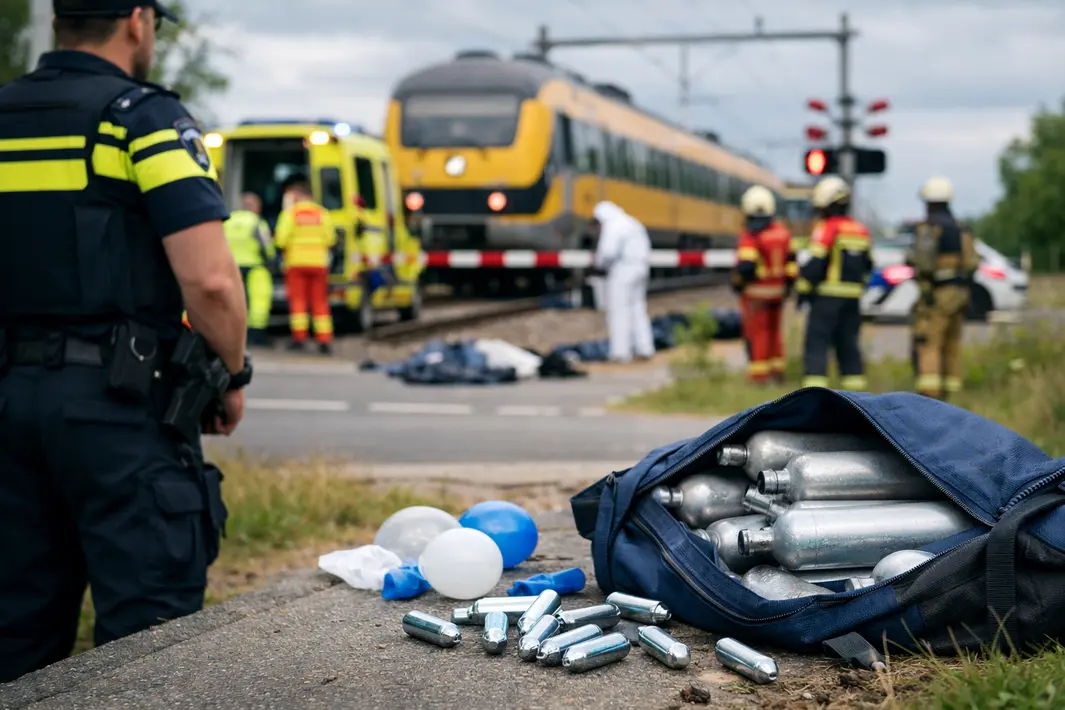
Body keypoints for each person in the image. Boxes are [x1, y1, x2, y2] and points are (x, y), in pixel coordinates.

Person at [0, 0, 252, 682]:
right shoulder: (140, 118)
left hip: (7, 404)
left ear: (57, 20)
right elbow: (211, 282)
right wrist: (230, 374)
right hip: (120, 410)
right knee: (147, 645)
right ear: (138, 21)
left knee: (16, 631)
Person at [796, 176, 873, 390]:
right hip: (852, 301)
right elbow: (868, 266)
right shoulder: (861, 230)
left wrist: (803, 289)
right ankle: (856, 397)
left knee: (817, 345)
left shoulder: (827, 229)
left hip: (826, 300)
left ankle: (813, 393)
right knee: (849, 347)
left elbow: (815, 266)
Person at [908, 177, 978, 400]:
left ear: (929, 202)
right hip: (959, 294)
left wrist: (912, 262)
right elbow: (972, 263)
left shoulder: (929, 227)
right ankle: (951, 397)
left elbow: (924, 262)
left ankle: (930, 397)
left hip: (937, 295)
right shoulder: (961, 228)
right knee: (952, 344)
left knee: (929, 342)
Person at [732, 186, 796, 384]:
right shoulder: (784, 233)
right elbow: (792, 266)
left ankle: (758, 376)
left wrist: (737, 284)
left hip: (756, 294)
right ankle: (777, 373)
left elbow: (746, 268)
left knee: (758, 333)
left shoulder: (750, 236)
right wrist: (787, 288)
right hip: (778, 293)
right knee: (775, 332)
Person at [274, 181, 337, 354]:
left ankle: (299, 338)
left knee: (298, 301)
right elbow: (331, 239)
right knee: (320, 302)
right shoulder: (322, 213)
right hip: (319, 264)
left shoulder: (290, 213)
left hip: (296, 263)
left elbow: (280, 239)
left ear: (297, 195)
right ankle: (324, 340)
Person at [590, 201, 655, 363]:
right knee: (638, 308)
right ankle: (645, 348)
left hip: (623, 269)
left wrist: (598, 264)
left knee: (618, 310)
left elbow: (607, 252)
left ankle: (620, 352)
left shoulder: (613, 225)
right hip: (641, 268)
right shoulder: (632, 222)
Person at [225, 192, 276, 347]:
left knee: (235, 302)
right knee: (258, 302)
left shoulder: (228, 220)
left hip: (232, 267)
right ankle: (257, 336)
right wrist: (272, 260)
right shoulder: (256, 222)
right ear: (255, 207)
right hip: (255, 267)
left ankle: (234, 336)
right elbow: (266, 246)